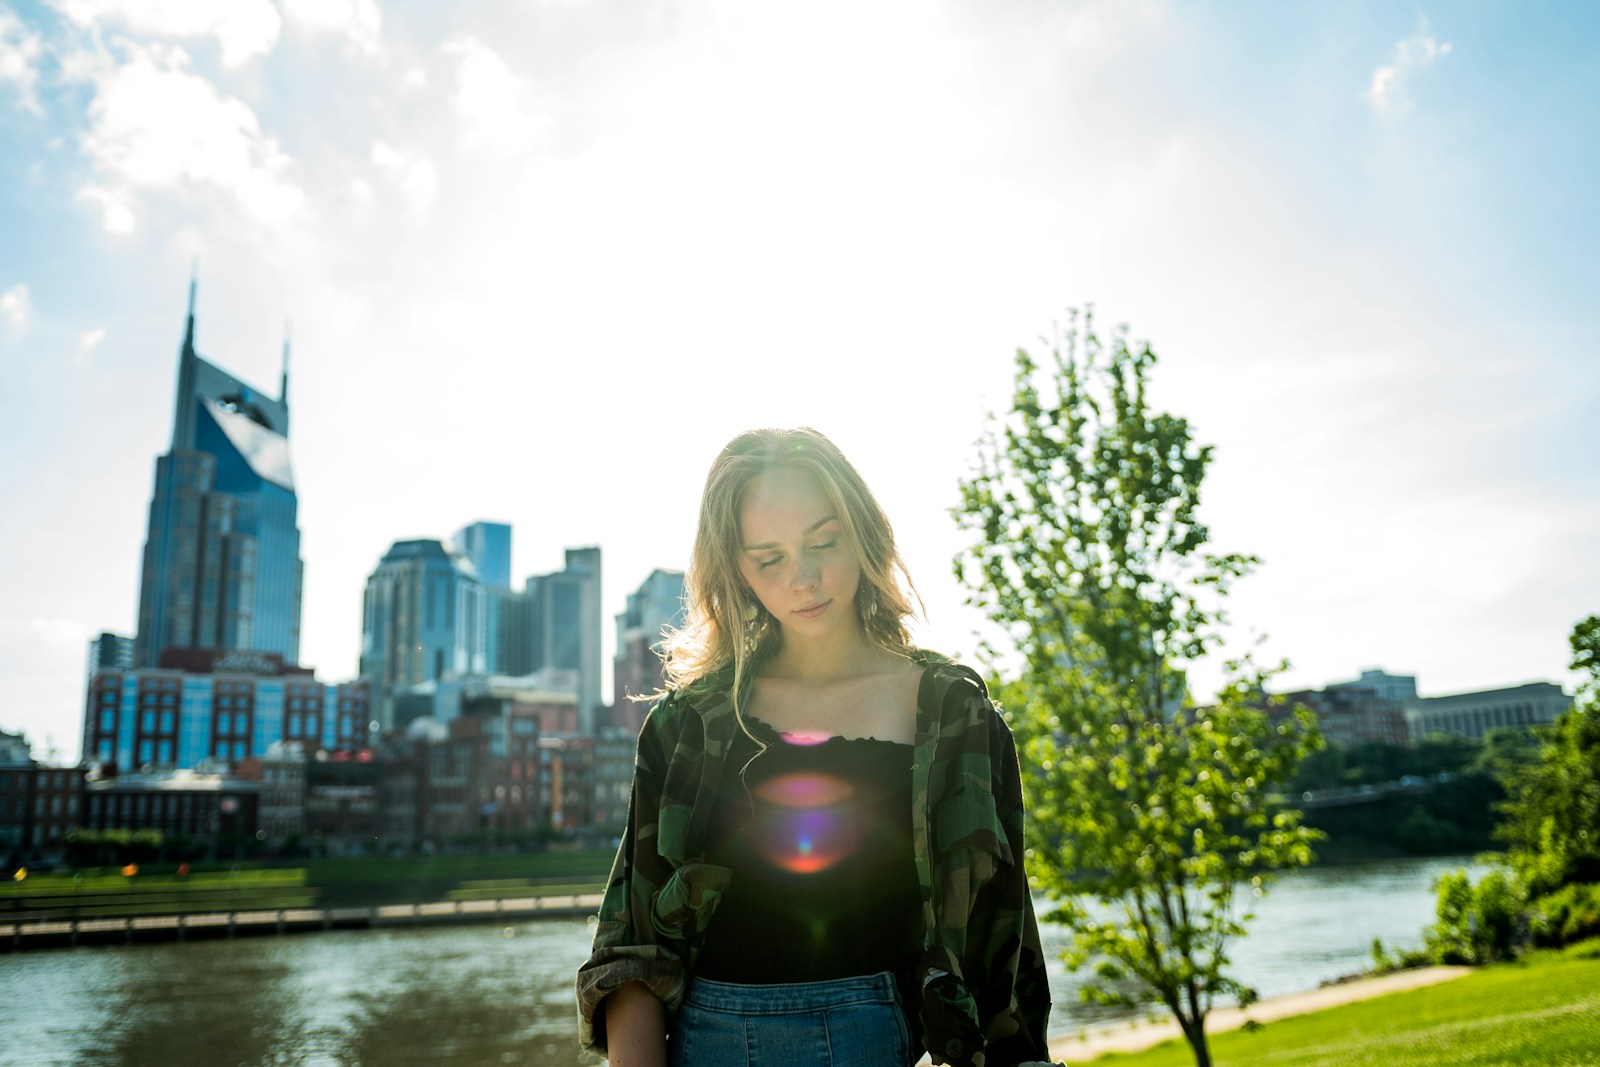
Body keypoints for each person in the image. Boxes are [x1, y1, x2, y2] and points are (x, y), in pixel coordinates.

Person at [576, 427, 1057, 1067]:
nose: (803, 578)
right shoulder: (687, 725)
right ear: (737, 572)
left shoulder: (955, 718)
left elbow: (1005, 959)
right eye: (768, 558)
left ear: (863, 532)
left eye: (823, 541)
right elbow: (630, 953)